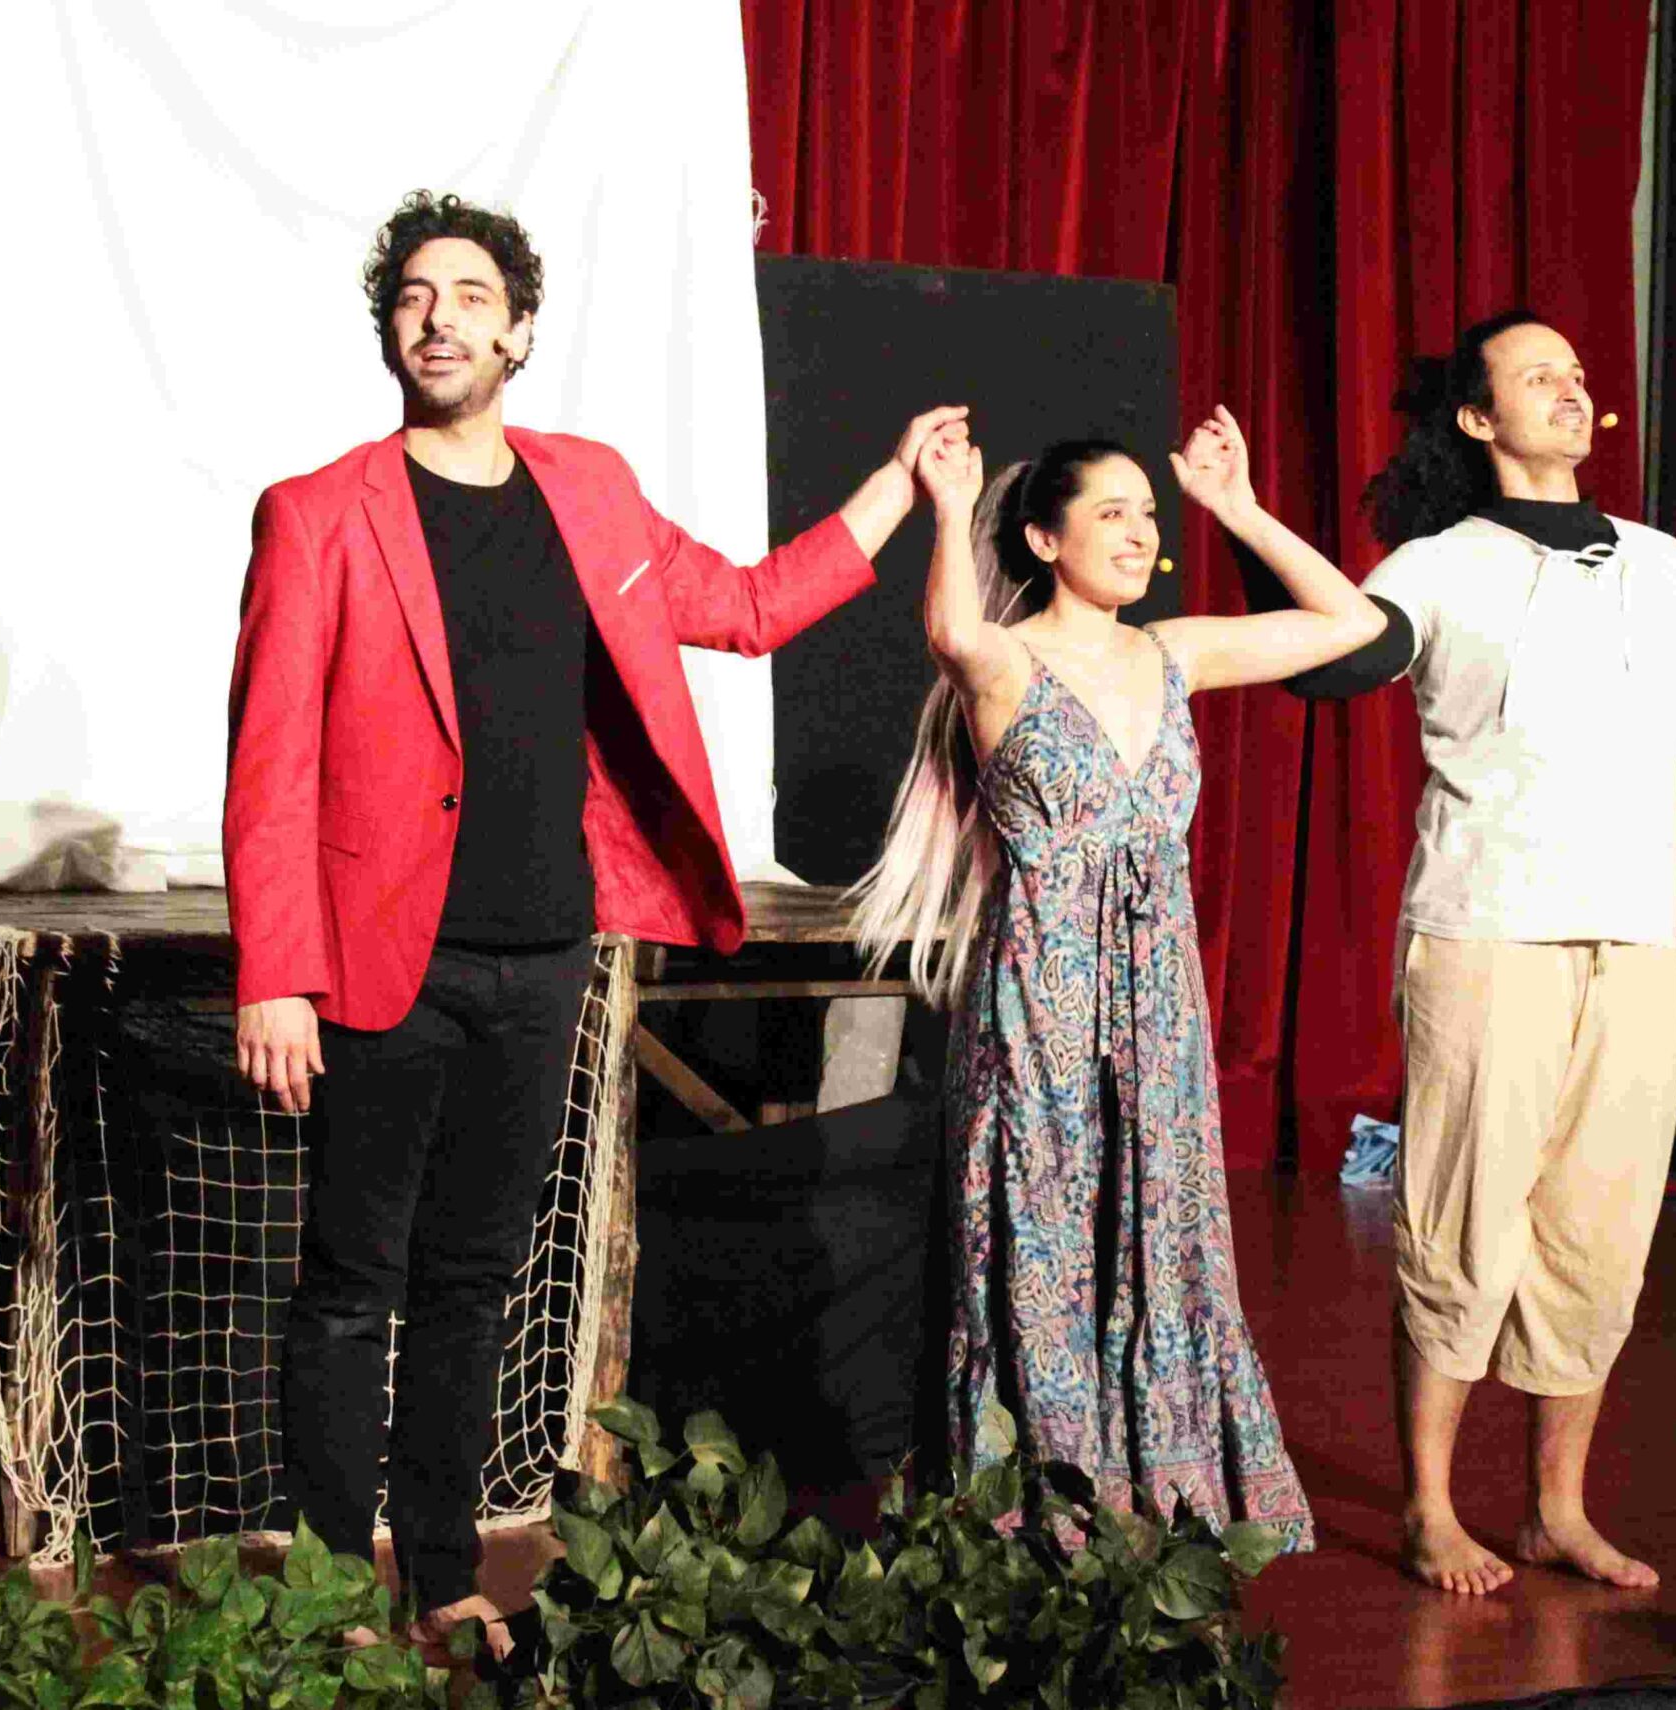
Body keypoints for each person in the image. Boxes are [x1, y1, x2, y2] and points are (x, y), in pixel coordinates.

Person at [223, 189, 962, 1650]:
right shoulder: (318, 511)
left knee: (472, 1284)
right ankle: (328, 1594)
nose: (440, 318)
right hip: (378, 958)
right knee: (350, 1288)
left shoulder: (593, 490)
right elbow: (270, 757)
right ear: (388, 331)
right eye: (415, 297)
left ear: (518, 332)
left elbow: (747, 607)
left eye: (470, 296)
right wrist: (274, 973)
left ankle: (441, 1576)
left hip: (543, 950)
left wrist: (893, 486)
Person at [851, 406, 1387, 1551]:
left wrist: (1236, 509)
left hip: (1158, 1003)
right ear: (1045, 540)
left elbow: (1350, 623)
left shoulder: (1171, 651)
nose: (1142, 534)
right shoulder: (1006, 660)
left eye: (1149, 514)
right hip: (1038, 996)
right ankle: (1040, 1505)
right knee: (1040, 1230)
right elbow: (950, 628)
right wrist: (949, 509)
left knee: (1159, 1225)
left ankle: (1163, 1487)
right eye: (1113, 513)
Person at [1289, 309, 1676, 1594]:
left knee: (1599, 1232)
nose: (1569, 387)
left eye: (1575, 373)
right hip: (1487, 928)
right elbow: (1332, 669)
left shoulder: (1663, 563)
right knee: (1463, 1221)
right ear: (1479, 418)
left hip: (1635, 938)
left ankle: (1553, 1510)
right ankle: (1430, 1507)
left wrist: (1605, 838)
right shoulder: (1439, 566)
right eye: (1537, 375)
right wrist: (1252, 519)